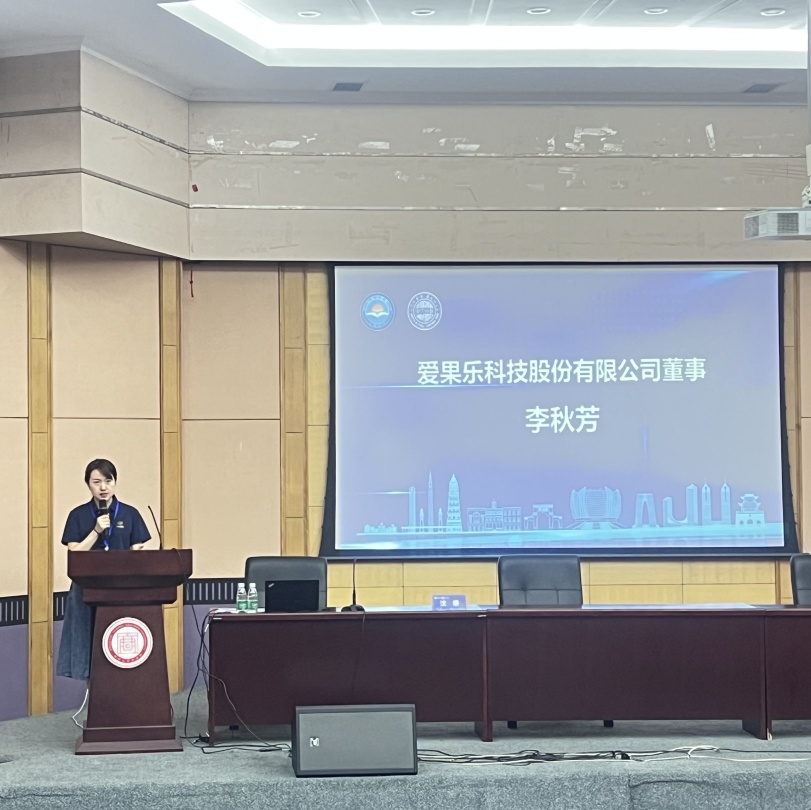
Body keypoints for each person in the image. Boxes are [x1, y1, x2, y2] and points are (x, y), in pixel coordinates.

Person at [56, 459, 152, 681]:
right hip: (85, 590)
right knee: (88, 644)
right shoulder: (78, 515)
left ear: (115, 482)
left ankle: (122, 692)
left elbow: (137, 553)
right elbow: (74, 553)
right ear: (88, 484)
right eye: (96, 482)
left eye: (108, 481)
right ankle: (92, 694)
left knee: (119, 644)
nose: (103, 487)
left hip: (122, 590)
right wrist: (96, 531)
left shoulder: (130, 514)